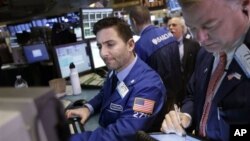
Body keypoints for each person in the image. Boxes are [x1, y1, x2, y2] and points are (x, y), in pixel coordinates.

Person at [161, 0, 250, 140]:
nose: (200, 39)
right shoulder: (205, 53)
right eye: (193, 28)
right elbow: (193, 93)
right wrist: (185, 115)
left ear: (246, 8)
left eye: (211, 25)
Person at [66, 17, 166, 141]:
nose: (103, 53)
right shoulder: (116, 68)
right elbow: (105, 94)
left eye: (110, 44)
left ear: (130, 45)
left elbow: (123, 134)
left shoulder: (149, 87)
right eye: (99, 46)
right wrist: (88, 108)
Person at [167, 16, 200, 107]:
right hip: (175, 90)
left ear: (182, 28)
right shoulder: (166, 48)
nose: (170, 28)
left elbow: (198, 65)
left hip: (192, 86)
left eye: (174, 25)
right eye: (169, 26)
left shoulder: (193, 44)